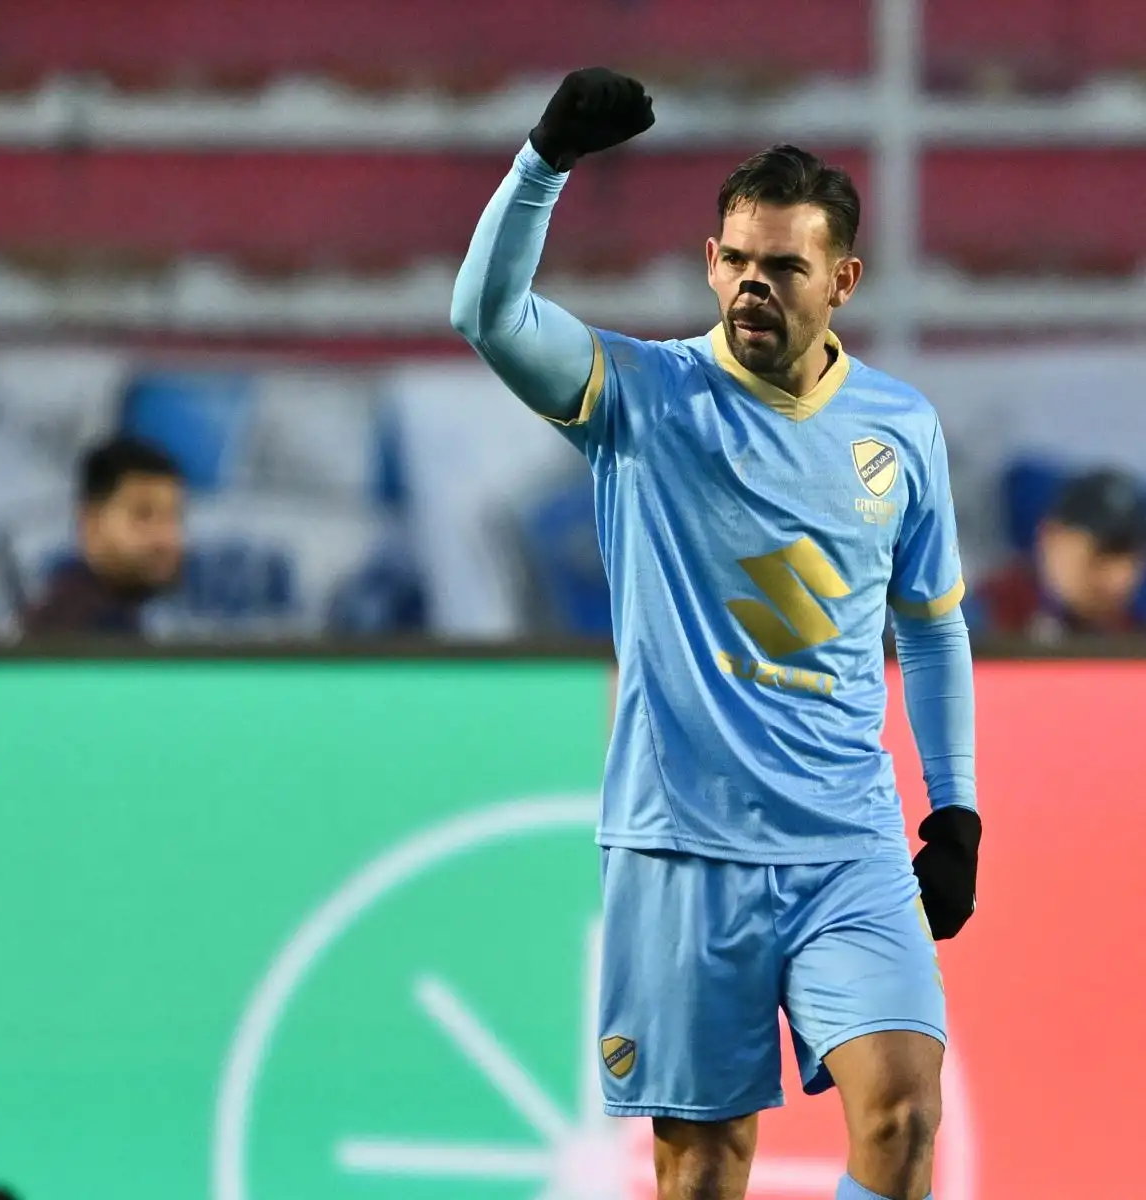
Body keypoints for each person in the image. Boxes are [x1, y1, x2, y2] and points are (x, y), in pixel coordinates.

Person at [451, 70, 979, 1200]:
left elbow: (933, 630)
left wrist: (956, 809)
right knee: (701, 1169)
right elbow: (486, 319)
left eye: (783, 266)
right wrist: (542, 162)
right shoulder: (639, 394)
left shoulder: (901, 428)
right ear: (708, 262)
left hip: (848, 846)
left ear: (842, 281)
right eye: (736, 260)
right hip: (683, 847)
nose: (753, 284)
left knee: (904, 1118)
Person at [19, 435, 185, 637]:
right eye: (143, 515)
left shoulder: (125, 613)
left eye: (173, 516)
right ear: (91, 524)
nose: (165, 537)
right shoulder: (82, 627)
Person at [972, 465, 1145, 640]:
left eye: (1133, 559)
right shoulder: (988, 612)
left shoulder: (1133, 629)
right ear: (1052, 538)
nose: (1121, 578)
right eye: (1103, 553)